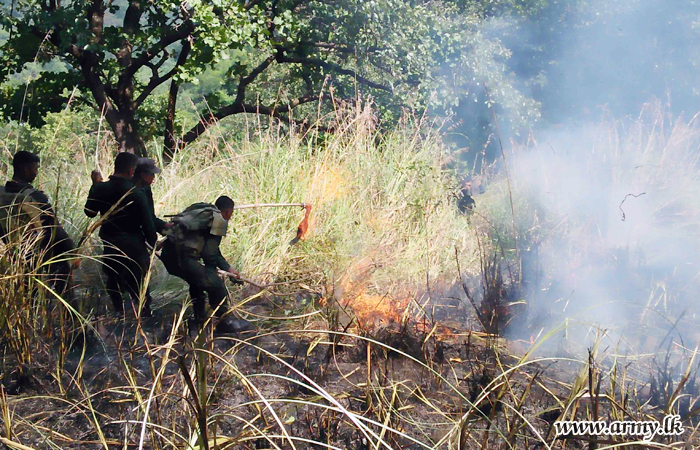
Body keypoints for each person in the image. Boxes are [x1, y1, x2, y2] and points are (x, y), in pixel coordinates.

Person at [160, 196, 251, 333]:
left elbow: (212, 250)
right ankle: (224, 323)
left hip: (169, 256)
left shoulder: (202, 213)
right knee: (216, 285)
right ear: (227, 211)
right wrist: (211, 272)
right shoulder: (219, 220)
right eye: (231, 213)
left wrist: (227, 268)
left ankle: (199, 321)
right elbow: (209, 253)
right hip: (183, 259)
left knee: (196, 282)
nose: (230, 217)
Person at [84, 152, 157, 317]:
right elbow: (148, 225)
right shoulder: (137, 193)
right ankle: (144, 318)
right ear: (131, 171)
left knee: (114, 283)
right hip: (134, 247)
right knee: (139, 287)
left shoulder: (100, 188)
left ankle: (119, 315)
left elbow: (90, 212)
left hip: (110, 245)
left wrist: (95, 185)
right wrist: (152, 244)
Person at [1, 151, 76, 296]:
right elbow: (55, 229)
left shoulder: (2, 194)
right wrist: (71, 252)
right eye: (35, 169)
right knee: (64, 292)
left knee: (28, 296)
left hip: (15, 255)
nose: (36, 173)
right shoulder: (35, 196)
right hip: (43, 254)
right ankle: (69, 318)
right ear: (25, 169)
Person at [132, 158, 170, 234]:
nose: (154, 177)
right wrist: (153, 241)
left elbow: (150, 217)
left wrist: (165, 225)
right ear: (143, 175)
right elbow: (145, 221)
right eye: (151, 174)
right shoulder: (134, 191)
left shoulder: (146, 189)